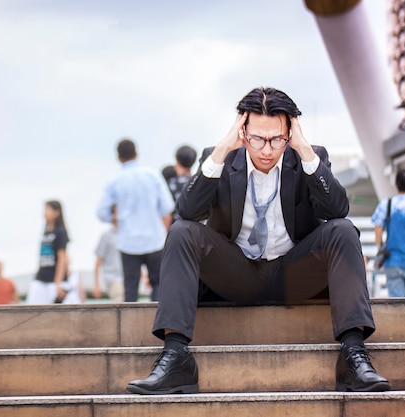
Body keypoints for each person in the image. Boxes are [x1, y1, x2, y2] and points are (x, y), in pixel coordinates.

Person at [126, 86, 391, 395]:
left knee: (343, 230)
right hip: (235, 274)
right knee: (182, 231)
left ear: (290, 132)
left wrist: (304, 150)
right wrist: (223, 149)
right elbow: (186, 210)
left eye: (276, 139)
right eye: (257, 139)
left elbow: (337, 210)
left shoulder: (310, 157)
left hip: (295, 274)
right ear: (242, 130)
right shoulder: (221, 158)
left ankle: (353, 357)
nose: (266, 149)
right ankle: (175, 358)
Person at [96, 138, 175, 302]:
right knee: (158, 284)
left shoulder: (114, 181)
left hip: (128, 241)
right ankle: (156, 323)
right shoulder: (152, 175)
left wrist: (115, 218)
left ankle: (130, 326)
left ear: (118, 157)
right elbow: (167, 206)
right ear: (137, 154)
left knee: (130, 289)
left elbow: (101, 212)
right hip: (155, 239)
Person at [26, 200, 75, 304]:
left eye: (48, 209)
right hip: (42, 275)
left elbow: (62, 257)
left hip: (54, 279)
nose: (45, 213)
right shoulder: (46, 231)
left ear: (57, 212)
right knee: (31, 306)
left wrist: (58, 282)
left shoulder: (60, 231)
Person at [93, 206, 124, 303]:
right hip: (112, 277)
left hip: (127, 277)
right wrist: (96, 285)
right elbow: (98, 261)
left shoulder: (127, 234)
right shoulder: (106, 236)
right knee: (121, 298)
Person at [163, 145, 198, 224]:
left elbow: (166, 212)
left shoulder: (170, 184)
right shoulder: (196, 183)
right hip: (194, 230)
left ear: (177, 159)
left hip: (174, 230)